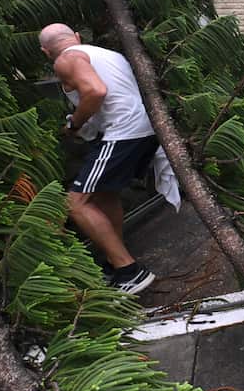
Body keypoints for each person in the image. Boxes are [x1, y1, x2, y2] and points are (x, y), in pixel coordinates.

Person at [39, 23, 157, 294]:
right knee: (105, 196)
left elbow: (95, 91)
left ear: (46, 52)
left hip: (122, 132)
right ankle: (116, 265)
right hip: (144, 129)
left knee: (75, 203)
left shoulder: (66, 59)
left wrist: (74, 125)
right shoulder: (106, 54)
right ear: (78, 37)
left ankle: (130, 271)